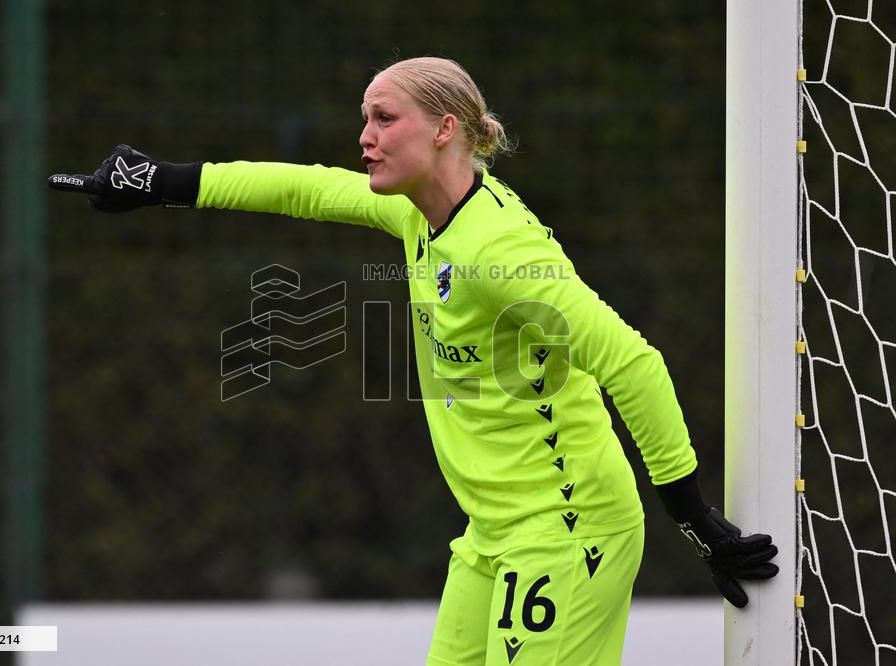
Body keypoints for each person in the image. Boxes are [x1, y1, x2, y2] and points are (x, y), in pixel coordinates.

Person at [49, 56, 778, 666]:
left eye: (383, 118)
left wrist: (693, 517)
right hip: (492, 533)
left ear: (445, 129)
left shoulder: (501, 253)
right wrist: (161, 182)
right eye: (364, 119)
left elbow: (633, 363)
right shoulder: (416, 212)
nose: (364, 137)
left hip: (567, 532)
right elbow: (305, 188)